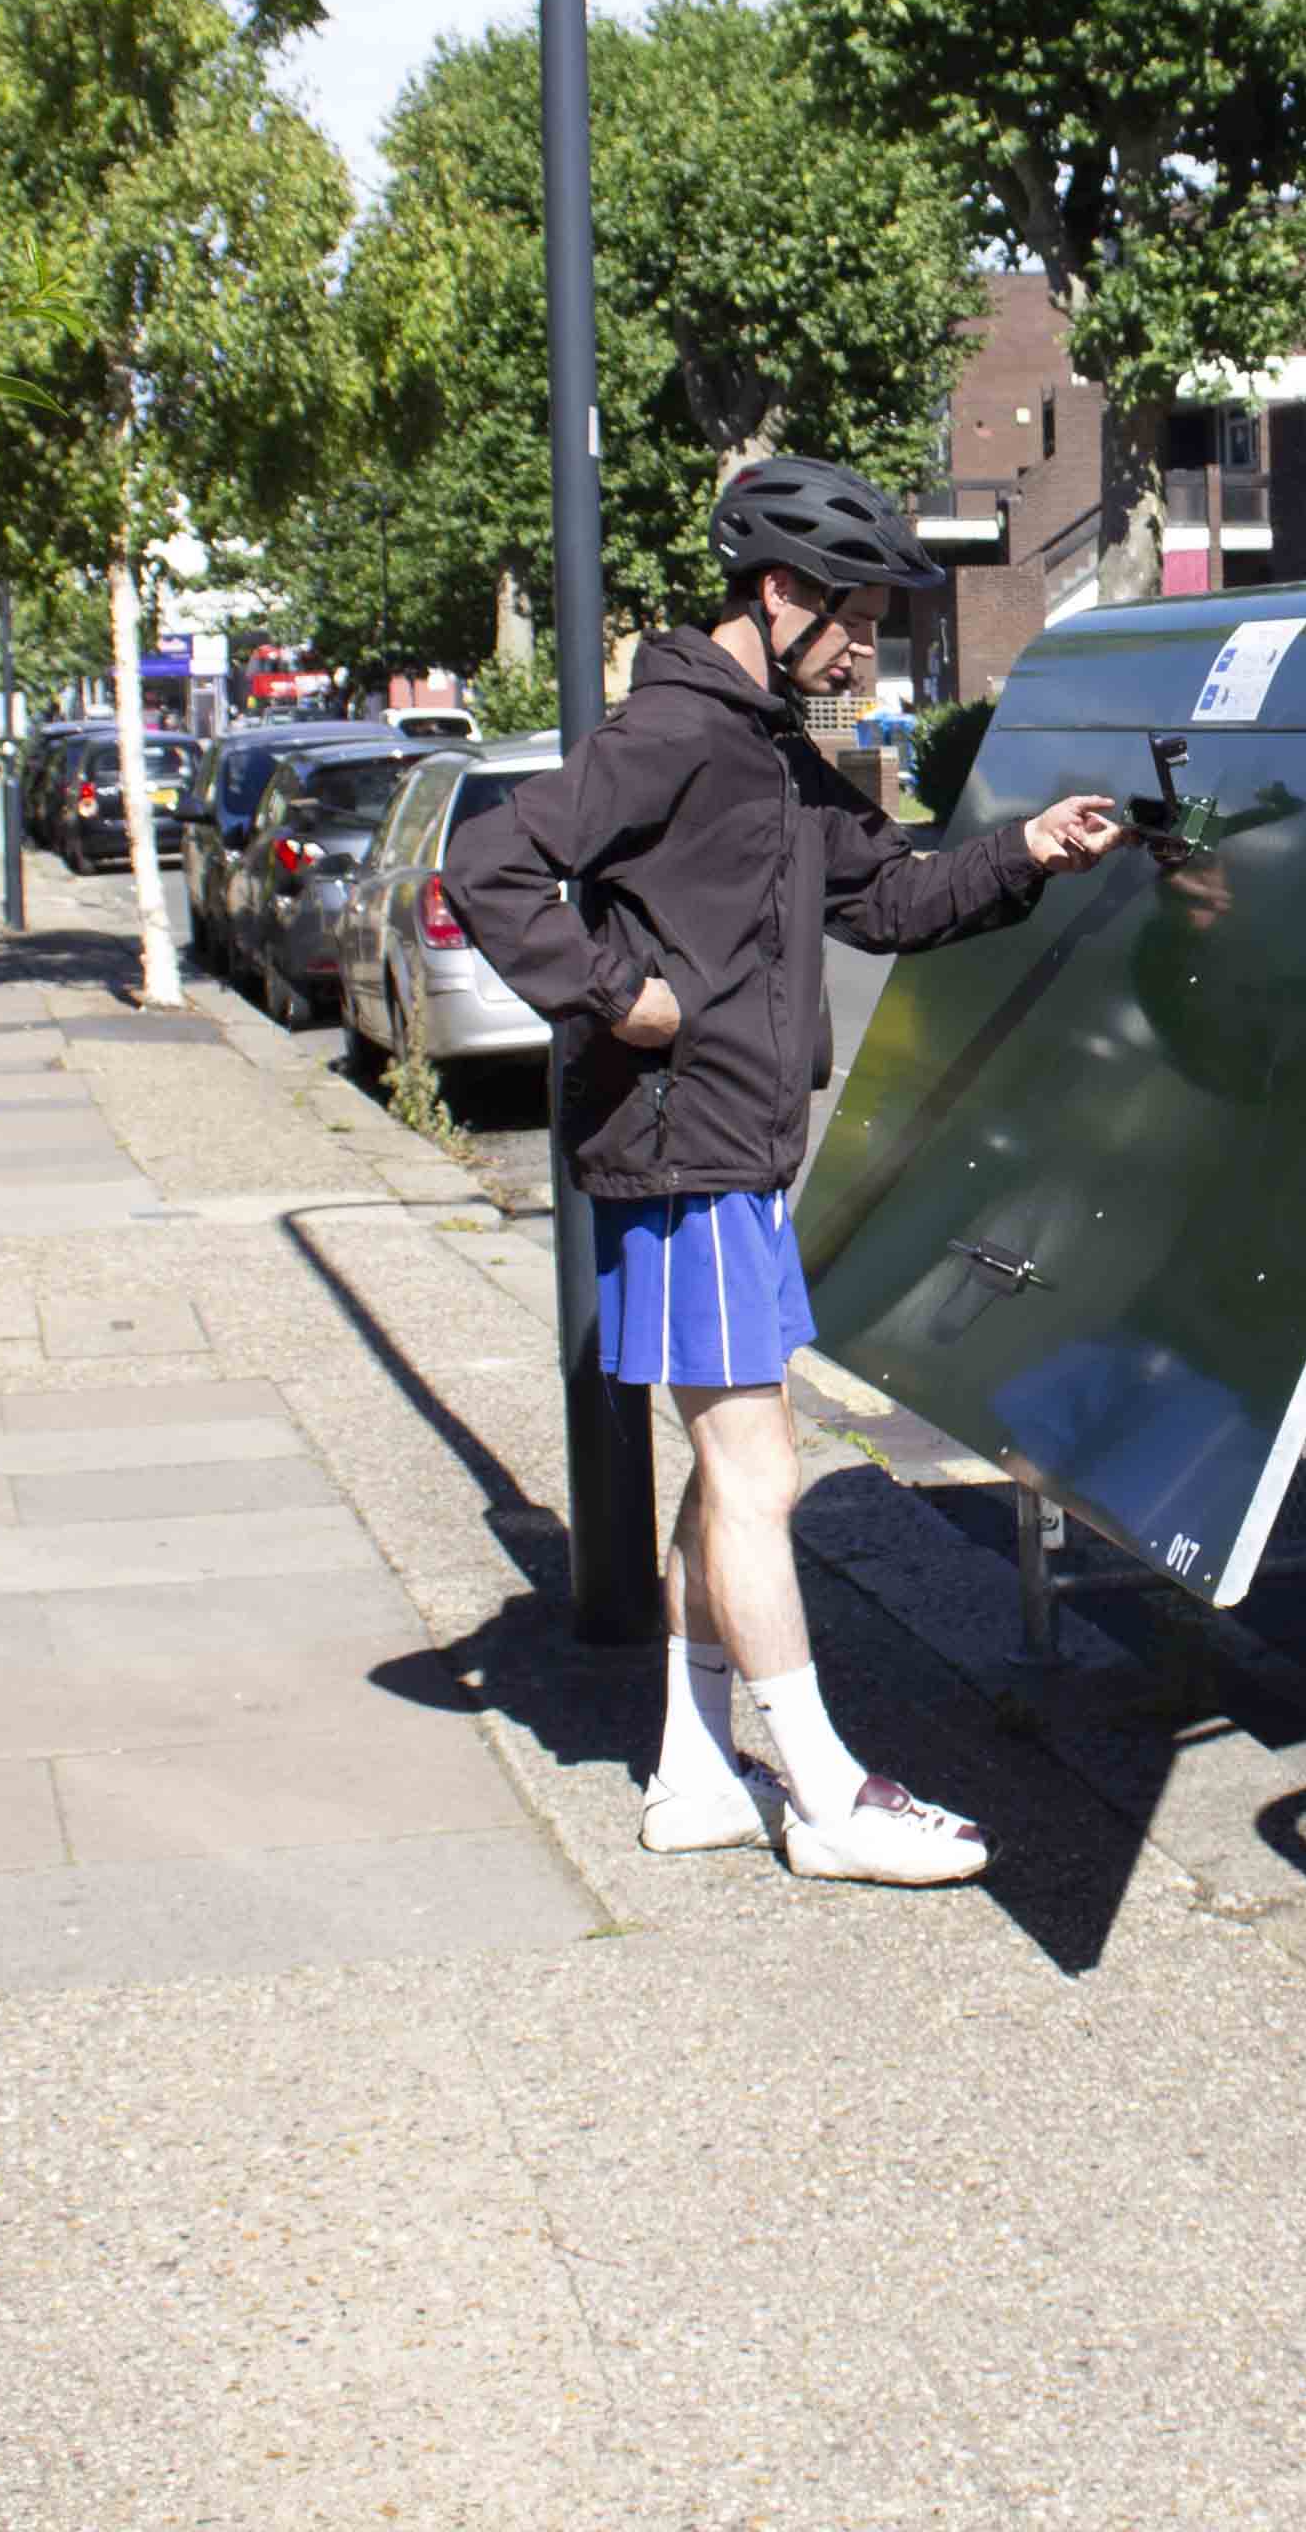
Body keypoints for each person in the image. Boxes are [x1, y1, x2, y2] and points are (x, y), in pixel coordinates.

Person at [445, 457, 1126, 1883]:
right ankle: (825, 1793)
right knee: (762, 1470)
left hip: (732, 1154)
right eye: (856, 615)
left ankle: (697, 1768)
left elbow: (885, 898)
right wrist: (613, 994)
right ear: (780, 593)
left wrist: (1030, 852)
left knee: (722, 1472)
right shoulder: (678, 732)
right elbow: (494, 861)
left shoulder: (767, 746)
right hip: (684, 1153)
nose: (867, 643)